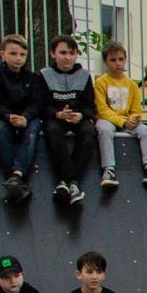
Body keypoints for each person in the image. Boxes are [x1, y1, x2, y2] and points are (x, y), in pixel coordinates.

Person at [91, 41, 147, 190]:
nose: (118, 63)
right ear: (106, 62)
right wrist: (122, 122)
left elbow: (135, 109)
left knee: (145, 130)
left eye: (121, 59)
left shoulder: (132, 84)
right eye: (113, 60)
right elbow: (102, 109)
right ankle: (109, 170)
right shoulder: (101, 82)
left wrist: (133, 119)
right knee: (104, 130)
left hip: (126, 120)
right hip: (107, 119)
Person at [39, 34, 97, 205]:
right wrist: (57, 114)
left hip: (77, 118)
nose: (68, 57)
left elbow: (90, 106)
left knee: (89, 131)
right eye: (63, 53)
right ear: (53, 54)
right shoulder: (44, 75)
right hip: (55, 118)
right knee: (52, 130)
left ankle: (65, 182)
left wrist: (81, 115)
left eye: (72, 53)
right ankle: (72, 181)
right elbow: (41, 105)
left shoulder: (84, 75)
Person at [0, 33, 41, 203]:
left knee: (33, 129)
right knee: (0, 129)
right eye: (13, 53)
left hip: (26, 118)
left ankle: (16, 175)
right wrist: (9, 116)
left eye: (22, 54)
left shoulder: (32, 77)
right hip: (5, 117)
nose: (18, 58)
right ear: (2, 54)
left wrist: (25, 117)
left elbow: (36, 104)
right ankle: (13, 177)